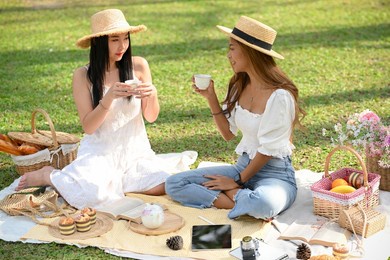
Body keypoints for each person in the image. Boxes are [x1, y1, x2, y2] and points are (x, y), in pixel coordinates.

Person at [16, 9, 174, 209]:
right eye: (114, 40)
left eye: (126, 38)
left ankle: (115, 182)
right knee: (91, 196)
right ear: (99, 43)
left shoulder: (139, 66)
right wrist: (108, 99)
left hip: (136, 152)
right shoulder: (83, 76)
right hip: (101, 153)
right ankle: (49, 175)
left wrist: (153, 94)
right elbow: (88, 127)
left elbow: (151, 117)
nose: (123, 46)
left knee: (164, 184)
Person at [165, 16, 306, 220]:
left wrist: (236, 182)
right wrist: (211, 98)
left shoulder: (280, 96)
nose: (228, 55)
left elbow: (266, 151)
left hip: (275, 175)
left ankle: (246, 202)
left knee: (264, 203)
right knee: (174, 184)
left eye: (232, 48)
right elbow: (228, 134)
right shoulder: (239, 85)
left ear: (250, 51)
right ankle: (244, 203)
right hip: (243, 166)